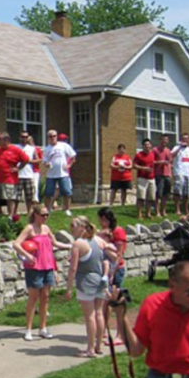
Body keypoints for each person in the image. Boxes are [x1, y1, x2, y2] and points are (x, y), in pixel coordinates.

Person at [13, 205, 70, 342]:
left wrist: (71, 246)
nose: (45, 217)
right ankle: (28, 329)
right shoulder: (30, 228)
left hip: (47, 265)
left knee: (45, 297)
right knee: (33, 298)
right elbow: (16, 244)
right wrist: (27, 255)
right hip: (34, 267)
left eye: (47, 215)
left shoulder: (46, 229)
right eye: (43, 215)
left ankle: (43, 328)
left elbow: (55, 243)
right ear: (36, 215)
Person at [65, 217, 110, 357]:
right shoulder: (98, 240)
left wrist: (69, 288)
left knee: (89, 316)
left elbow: (73, 268)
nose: (71, 229)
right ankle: (99, 345)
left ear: (82, 227)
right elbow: (108, 255)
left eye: (73, 226)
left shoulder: (78, 244)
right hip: (100, 280)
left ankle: (90, 349)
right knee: (99, 313)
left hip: (86, 282)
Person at [98, 206, 128, 346]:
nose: (102, 222)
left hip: (116, 269)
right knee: (105, 301)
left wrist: (112, 272)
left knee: (117, 302)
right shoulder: (103, 233)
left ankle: (120, 334)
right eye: (101, 219)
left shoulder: (118, 231)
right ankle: (103, 328)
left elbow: (119, 255)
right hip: (106, 269)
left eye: (105, 219)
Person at [0, 132, 29, 217]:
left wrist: (18, 168)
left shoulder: (15, 149)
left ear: (6, 140)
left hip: (9, 178)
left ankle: (10, 216)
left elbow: (26, 159)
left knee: (10, 198)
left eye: (0, 140)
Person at [42, 130, 77, 213]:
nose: (53, 138)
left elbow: (73, 156)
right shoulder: (47, 149)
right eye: (50, 136)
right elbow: (44, 161)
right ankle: (48, 209)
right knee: (48, 193)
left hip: (63, 173)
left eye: (54, 136)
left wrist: (69, 165)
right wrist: (46, 164)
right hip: (51, 174)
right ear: (48, 138)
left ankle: (67, 209)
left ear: (57, 136)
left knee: (66, 192)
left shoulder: (64, 146)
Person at [16, 132, 42, 216]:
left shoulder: (32, 148)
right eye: (22, 137)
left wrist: (28, 161)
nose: (24, 138)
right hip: (18, 175)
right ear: (19, 137)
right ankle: (14, 213)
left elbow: (38, 160)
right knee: (16, 197)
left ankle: (29, 214)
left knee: (29, 197)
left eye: (26, 137)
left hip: (28, 175)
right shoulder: (15, 147)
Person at [134, 139, 157, 220]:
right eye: (146, 144)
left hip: (151, 178)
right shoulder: (139, 155)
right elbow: (134, 166)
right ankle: (139, 214)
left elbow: (153, 164)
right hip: (142, 178)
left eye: (149, 144)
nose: (148, 146)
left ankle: (148, 213)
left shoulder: (152, 154)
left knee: (150, 197)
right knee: (141, 197)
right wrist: (144, 168)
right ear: (143, 146)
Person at [154, 134, 174, 218]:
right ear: (160, 140)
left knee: (166, 195)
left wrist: (171, 174)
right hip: (159, 174)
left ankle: (163, 211)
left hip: (167, 175)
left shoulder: (168, 151)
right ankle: (157, 212)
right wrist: (161, 162)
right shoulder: (155, 150)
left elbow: (170, 162)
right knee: (158, 194)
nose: (164, 141)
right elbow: (152, 162)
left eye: (166, 140)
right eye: (163, 139)